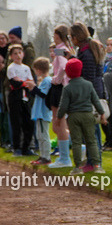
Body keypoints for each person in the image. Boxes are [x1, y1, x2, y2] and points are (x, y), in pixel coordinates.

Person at [57, 58, 107, 174]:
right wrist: (102, 114)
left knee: (76, 142)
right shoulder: (88, 85)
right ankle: (97, 165)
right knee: (92, 141)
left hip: (74, 117)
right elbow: (96, 101)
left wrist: (59, 118)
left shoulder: (67, 88)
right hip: (88, 115)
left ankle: (78, 167)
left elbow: (63, 106)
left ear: (68, 72)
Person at [70, 22, 105, 154]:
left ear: (76, 37)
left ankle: (95, 161)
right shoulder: (86, 50)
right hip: (92, 93)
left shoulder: (87, 52)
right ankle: (92, 159)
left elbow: (89, 77)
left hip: (90, 95)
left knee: (91, 131)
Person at [47, 25, 73, 168]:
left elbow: (63, 66)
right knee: (58, 125)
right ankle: (78, 148)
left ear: (58, 35)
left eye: (54, 34)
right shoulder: (66, 48)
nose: (53, 36)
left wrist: (57, 79)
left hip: (60, 88)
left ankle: (64, 158)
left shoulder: (61, 49)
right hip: (63, 87)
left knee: (59, 123)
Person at [7, 44, 35, 157]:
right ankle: (17, 147)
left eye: (20, 52)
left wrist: (24, 83)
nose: (18, 55)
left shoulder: (26, 68)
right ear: (11, 56)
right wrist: (24, 83)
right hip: (15, 98)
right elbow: (15, 83)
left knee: (29, 122)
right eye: (15, 53)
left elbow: (31, 83)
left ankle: (26, 147)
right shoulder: (11, 68)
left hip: (26, 98)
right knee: (16, 123)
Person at [30, 57, 54, 164]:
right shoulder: (44, 80)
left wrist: (33, 87)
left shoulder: (47, 80)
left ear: (39, 70)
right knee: (39, 135)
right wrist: (32, 89)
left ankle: (46, 157)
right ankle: (42, 155)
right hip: (40, 112)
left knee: (44, 135)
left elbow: (43, 94)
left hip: (43, 112)